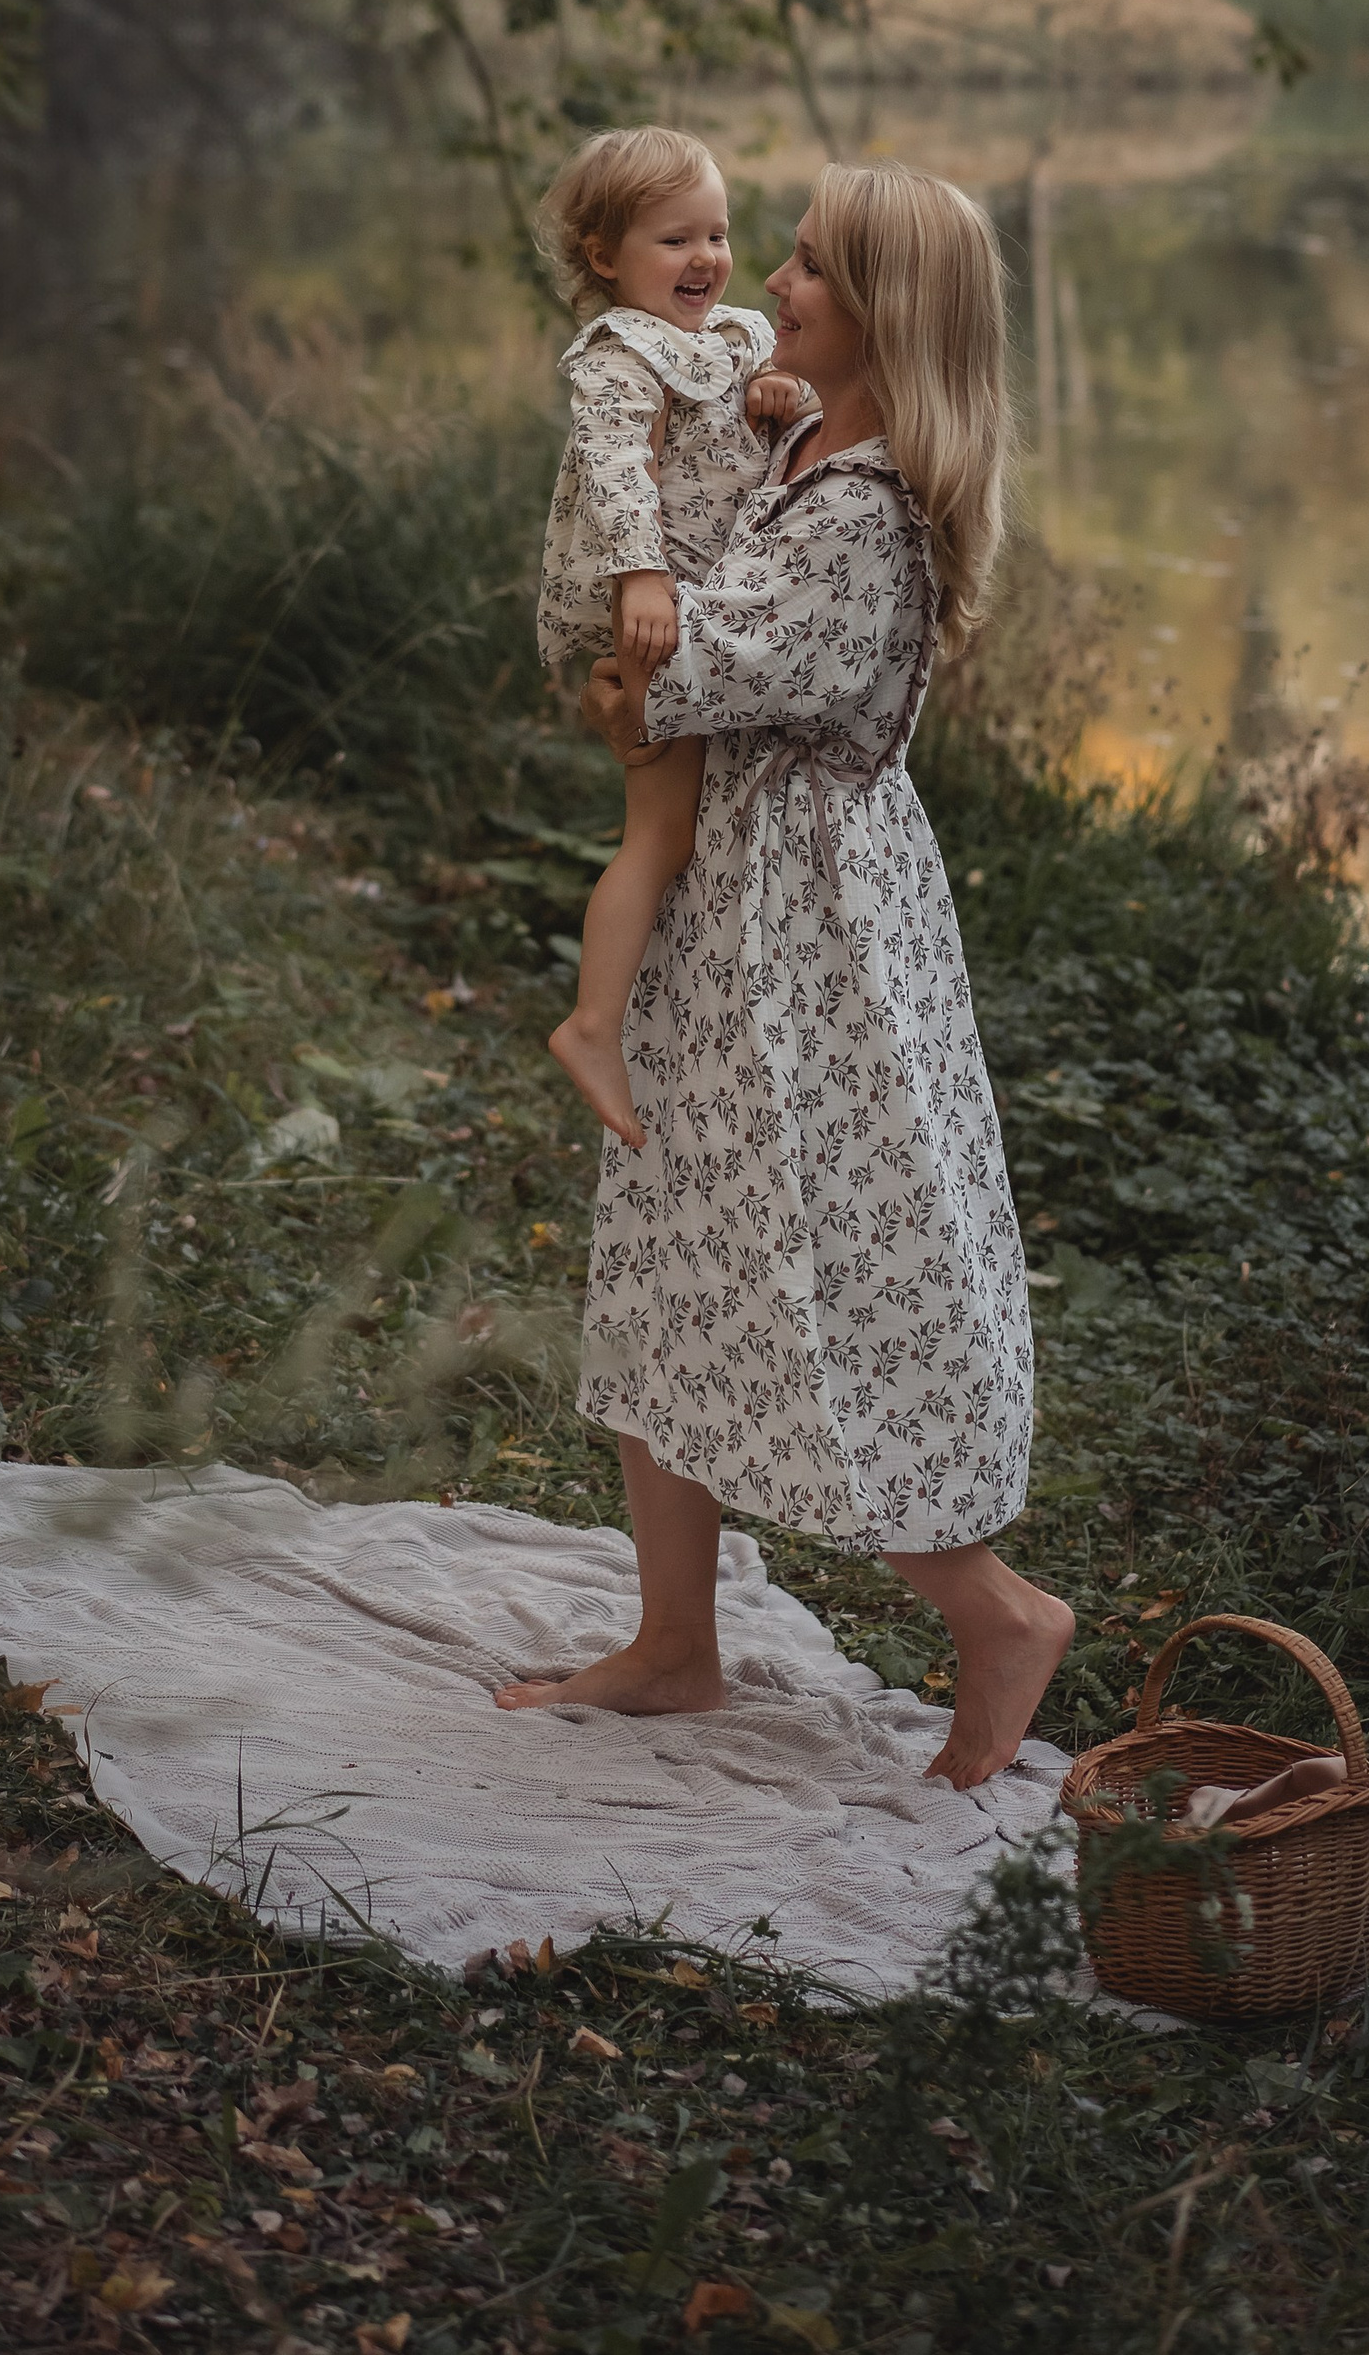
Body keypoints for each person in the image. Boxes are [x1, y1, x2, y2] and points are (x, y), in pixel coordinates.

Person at [498, 160, 1072, 1791]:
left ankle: (1000, 1611)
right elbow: (650, 663)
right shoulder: (804, 437)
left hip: (805, 959)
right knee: (676, 1258)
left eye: (814, 267)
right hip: (728, 927)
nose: (778, 284)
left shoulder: (864, 514)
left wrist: (623, 650)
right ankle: (676, 1639)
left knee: (816, 1288)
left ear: (885, 313)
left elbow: (656, 686)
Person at [533, 128, 805, 1152]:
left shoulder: (733, 337)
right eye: (673, 238)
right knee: (659, 830)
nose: (706, 257)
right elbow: (614, 472)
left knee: (688, 831)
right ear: (605, 255)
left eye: (719, 233)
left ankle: (646, 1014)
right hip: (656, 604)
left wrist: (780, 395)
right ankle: (593, 1024)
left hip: (699, 605)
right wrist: (640, 574)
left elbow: (777, 421)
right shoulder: (617, 352)